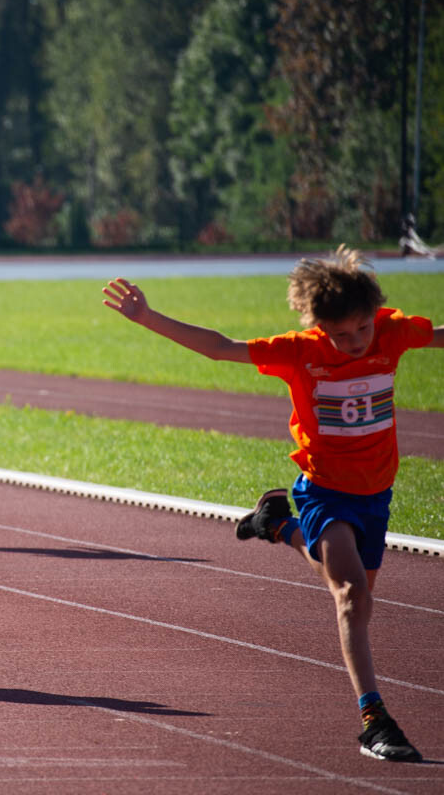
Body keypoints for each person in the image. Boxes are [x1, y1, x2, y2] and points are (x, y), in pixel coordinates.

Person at [102, 245, 442, 763]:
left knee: (357, 594)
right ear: (318, 326)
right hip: (325, 489)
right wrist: (148, 317)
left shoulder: (393, 332)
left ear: (374, 316)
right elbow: (220, 347)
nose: (352, 344)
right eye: (339, 335)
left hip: (376, 493)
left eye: (360, 331)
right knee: (350, 596)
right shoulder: (299, 351)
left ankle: (279, 525)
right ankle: (375, 719)